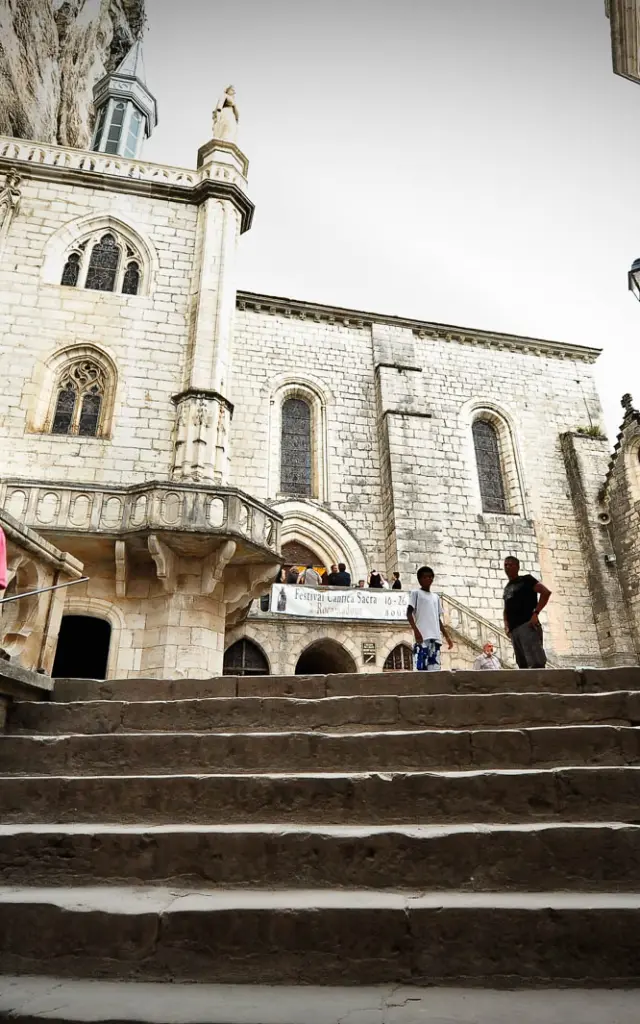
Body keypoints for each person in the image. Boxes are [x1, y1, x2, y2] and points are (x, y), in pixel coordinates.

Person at [503, 556, 551, 669]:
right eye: (505, 565)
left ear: (518, 567)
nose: (507, 567)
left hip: (527, 625)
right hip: (514, 631)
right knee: (522, 665)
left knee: (536, 663)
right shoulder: (507, 588)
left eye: (510, 564)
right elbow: (506, 609)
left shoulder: (526, 580)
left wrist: (536, 613)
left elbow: (546, 592)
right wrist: (506, 626)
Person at [407, 566, 453, 672]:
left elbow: (437, 618)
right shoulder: (416, 593)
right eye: (424, 577)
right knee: (421, 669)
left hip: (435, 638)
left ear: (432, 578)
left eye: (429, 577)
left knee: (434, 670)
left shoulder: (435, 597)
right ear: (419, 579)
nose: (427, 579)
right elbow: (409, 614)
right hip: (422, 638)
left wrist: (447, 636)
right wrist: (416, 631)